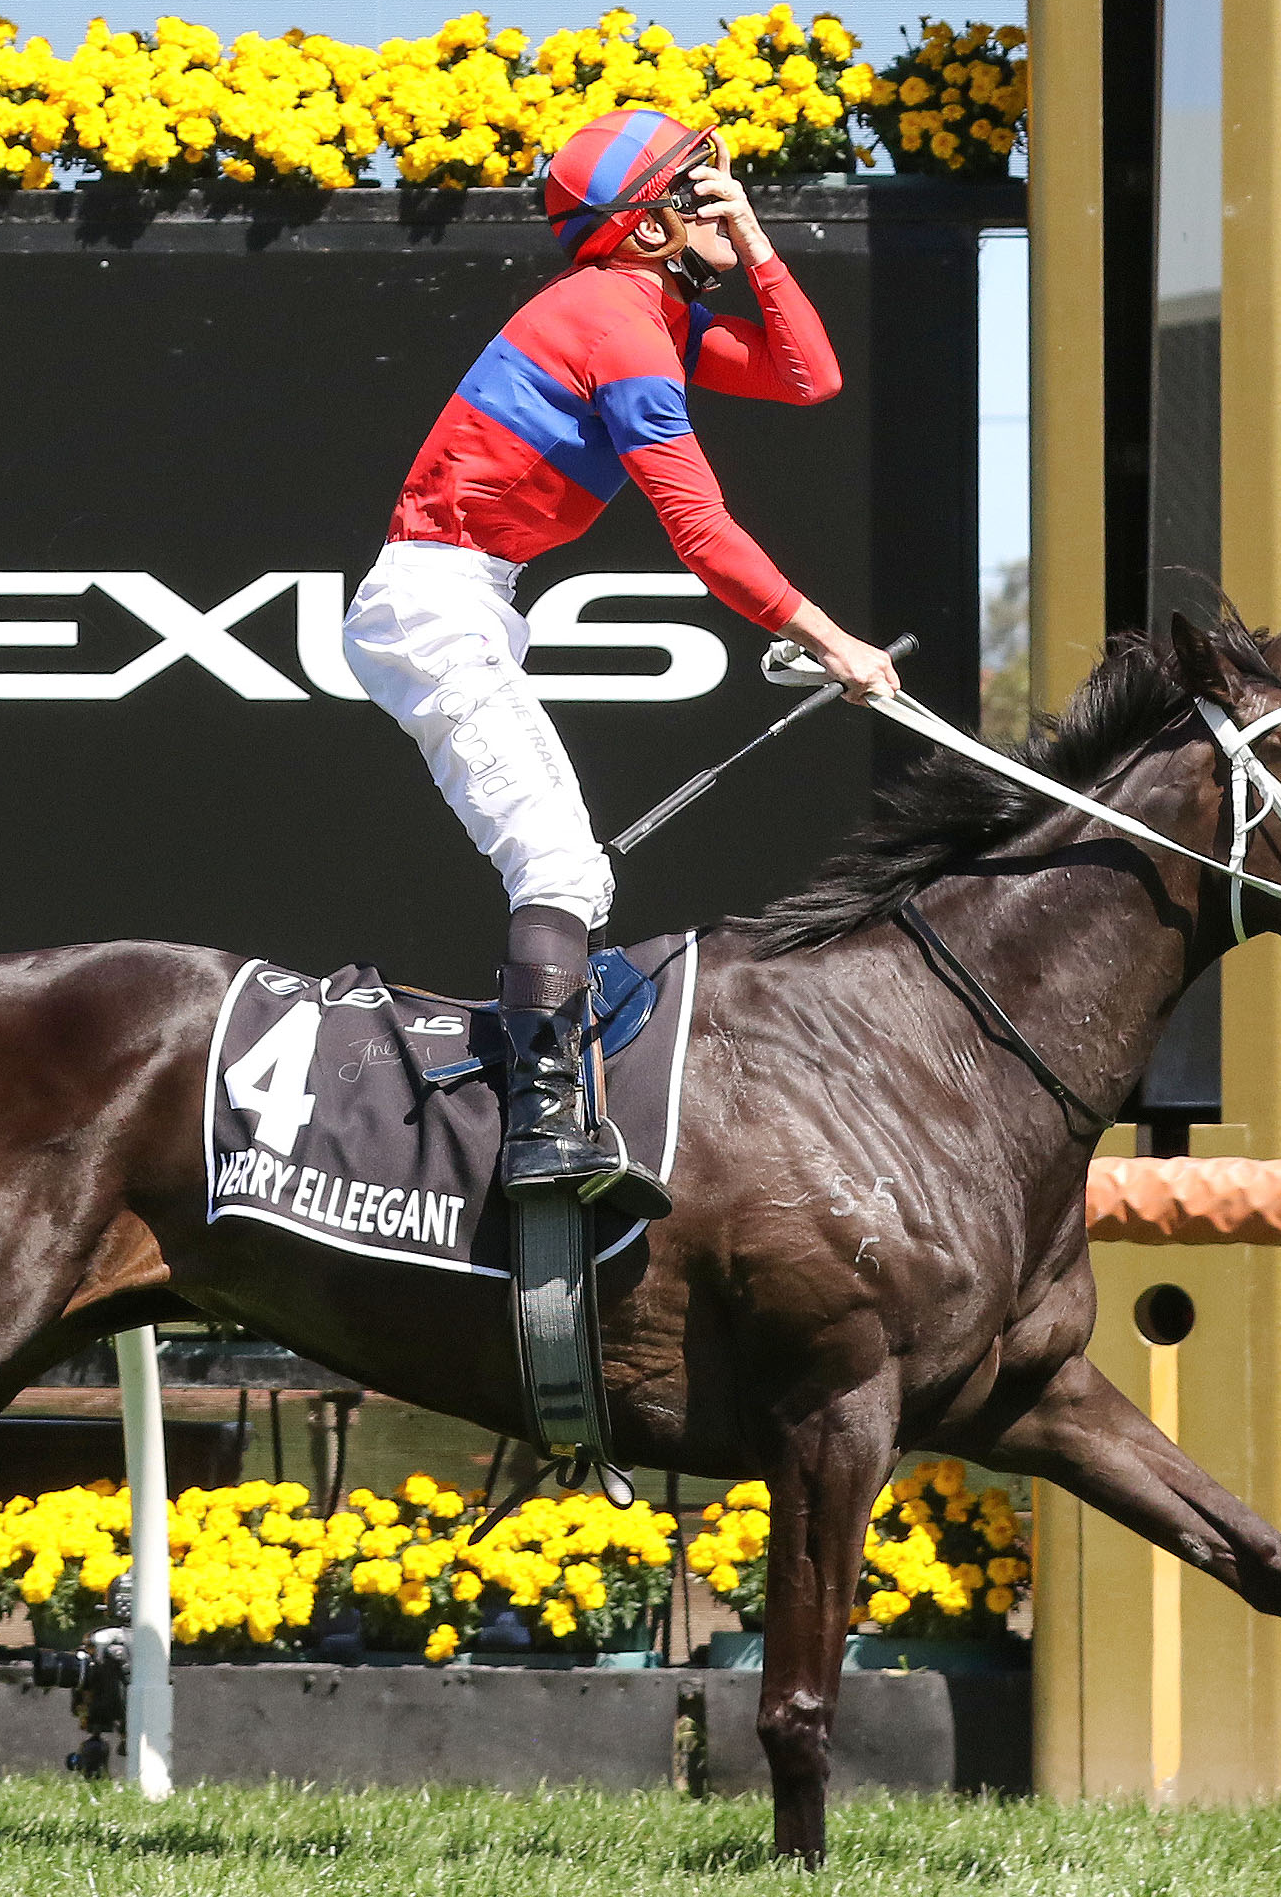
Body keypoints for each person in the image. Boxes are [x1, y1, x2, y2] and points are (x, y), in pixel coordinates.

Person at [344, 106, 899, 1221]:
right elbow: (702, 534)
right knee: (559, 867)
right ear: (648, 227)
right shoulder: (622, 330)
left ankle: (553, 1110)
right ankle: (540, 1135)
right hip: (434, 600)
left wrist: (758, 245)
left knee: (575, 872)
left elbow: (809, 380)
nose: (724, 196)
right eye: (702, 188)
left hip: (468, 596)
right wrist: (833, 641)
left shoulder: (645, 310)